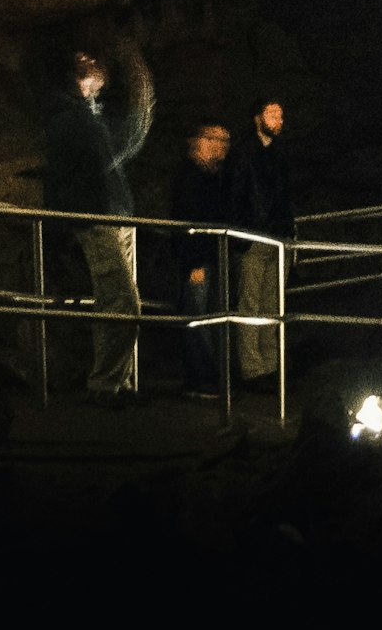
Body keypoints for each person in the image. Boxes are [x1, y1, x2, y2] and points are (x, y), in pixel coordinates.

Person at [41, 50, 148, 399]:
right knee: (122, 302)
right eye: (86, 64)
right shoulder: (69, 117)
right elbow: (113, 150)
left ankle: (119, 383)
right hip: (97, 216)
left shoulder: (86, 114)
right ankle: (106, 383)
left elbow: (116, 148)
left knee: (112, 303)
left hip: (115, 213)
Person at [173, 122, 242, 396]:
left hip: (210, 258)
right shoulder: (190, 177)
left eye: (225, 141)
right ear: (199, 141)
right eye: (215, 139)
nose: (221, 146)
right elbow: (188, 223)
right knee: (197, 319)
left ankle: (209, 376)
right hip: (199, 259)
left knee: (208, 319)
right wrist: (193, 264)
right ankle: (200, 379)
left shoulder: (212, 176)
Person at [231, 98, 292, 384]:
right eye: (272, 114)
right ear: (258, 119)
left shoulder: (280, 153)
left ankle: (270, 366)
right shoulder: (244, 152)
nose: (278, 120)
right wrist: (243, 235)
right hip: (255, 236)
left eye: (280, 115)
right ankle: (253, 368)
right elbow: (237, 195)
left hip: (277, 235)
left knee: (272, 304)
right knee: (251, 303)